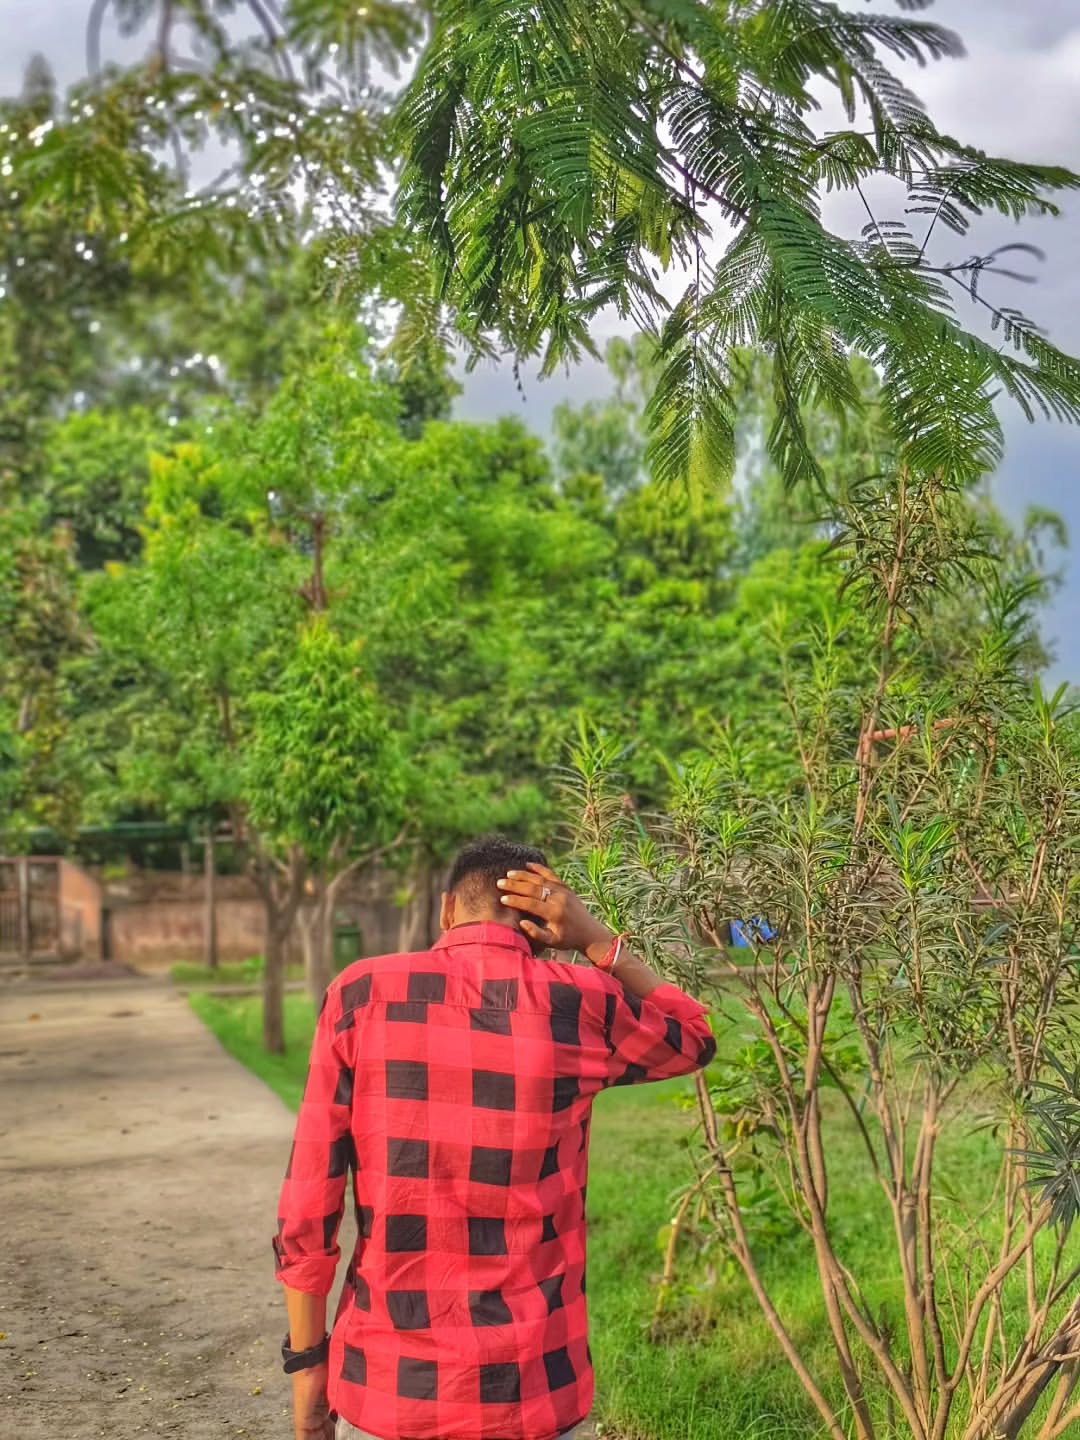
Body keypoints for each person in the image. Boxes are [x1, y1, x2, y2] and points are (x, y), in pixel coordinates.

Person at [274, 837, 716, 1440]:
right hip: (532, 1389)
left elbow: (308, 1204)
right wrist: (595, 939)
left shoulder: (360, 995)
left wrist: (308, 1374)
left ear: (446, 909)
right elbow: (694, 1037)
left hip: (389, 1388)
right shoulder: (582, 1003)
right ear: (543, 924)